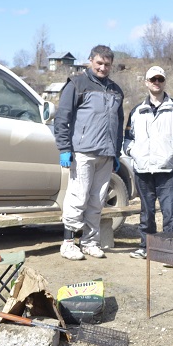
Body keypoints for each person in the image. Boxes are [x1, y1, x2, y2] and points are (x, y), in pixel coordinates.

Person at [53, 45, 124, 260]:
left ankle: (90, 242)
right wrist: (65, 148)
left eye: (107, 64)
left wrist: (116, 152)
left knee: (97, 199)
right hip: (83, 152)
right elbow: (62, 118)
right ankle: (68, 243)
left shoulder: (115, 90)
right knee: (78, 196)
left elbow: (119, 123)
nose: (103, 67)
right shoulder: (76, 84)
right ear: (90, 61)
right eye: (99, 63)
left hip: (106, 154)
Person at [123, 65, 173, 259]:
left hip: (167, 170)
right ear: (146, 82)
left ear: (164, 82)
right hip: (143, 170)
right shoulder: (137, 111)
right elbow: (127, 139)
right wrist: (133, 152)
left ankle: (172, 250)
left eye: (160, 79)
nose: (156, 82)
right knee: (146, 213)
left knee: (171, 213)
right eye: (152, 79)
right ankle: (146, 247)